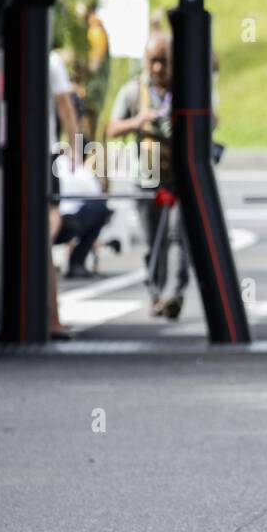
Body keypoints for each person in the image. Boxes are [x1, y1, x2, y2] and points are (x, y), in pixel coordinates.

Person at [107, 33, 191, 320]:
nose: (158, 68)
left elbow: (212, 119)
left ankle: (175, 294)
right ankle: (156, 293)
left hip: (181, 176)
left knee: (179, 236)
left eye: (164, 62)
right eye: (153, 61)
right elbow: (112, 128)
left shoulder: (186, 88)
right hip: (147, 177)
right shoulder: (133, 92)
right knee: (154, 239)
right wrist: (138, 121)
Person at [47, 48, 81, 339]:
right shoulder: (52, 61)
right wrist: (77, 146)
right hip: (44, 153)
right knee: (50, 219)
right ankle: (52, 319)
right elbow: (65, 105)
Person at [53, 154, 112, 279]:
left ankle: (75, 263)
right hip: (62, 220)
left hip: (58, 218)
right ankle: (76, 263)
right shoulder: (82, 171)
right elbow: (96, 196)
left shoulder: (56, 163)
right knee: (101, 208)